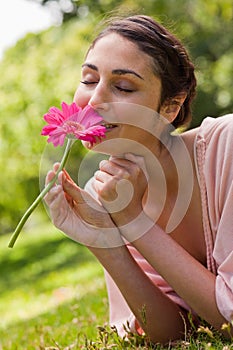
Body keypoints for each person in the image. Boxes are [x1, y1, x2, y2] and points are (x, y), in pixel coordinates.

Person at [45, 15, 233, 344]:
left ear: (170, 108)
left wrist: (134, 220)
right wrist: (105, 241)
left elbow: (228, 320)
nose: (93, 100)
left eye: (123, 87)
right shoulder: (106, 195)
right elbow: (171, 335)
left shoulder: (227, 148)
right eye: (89, 80)